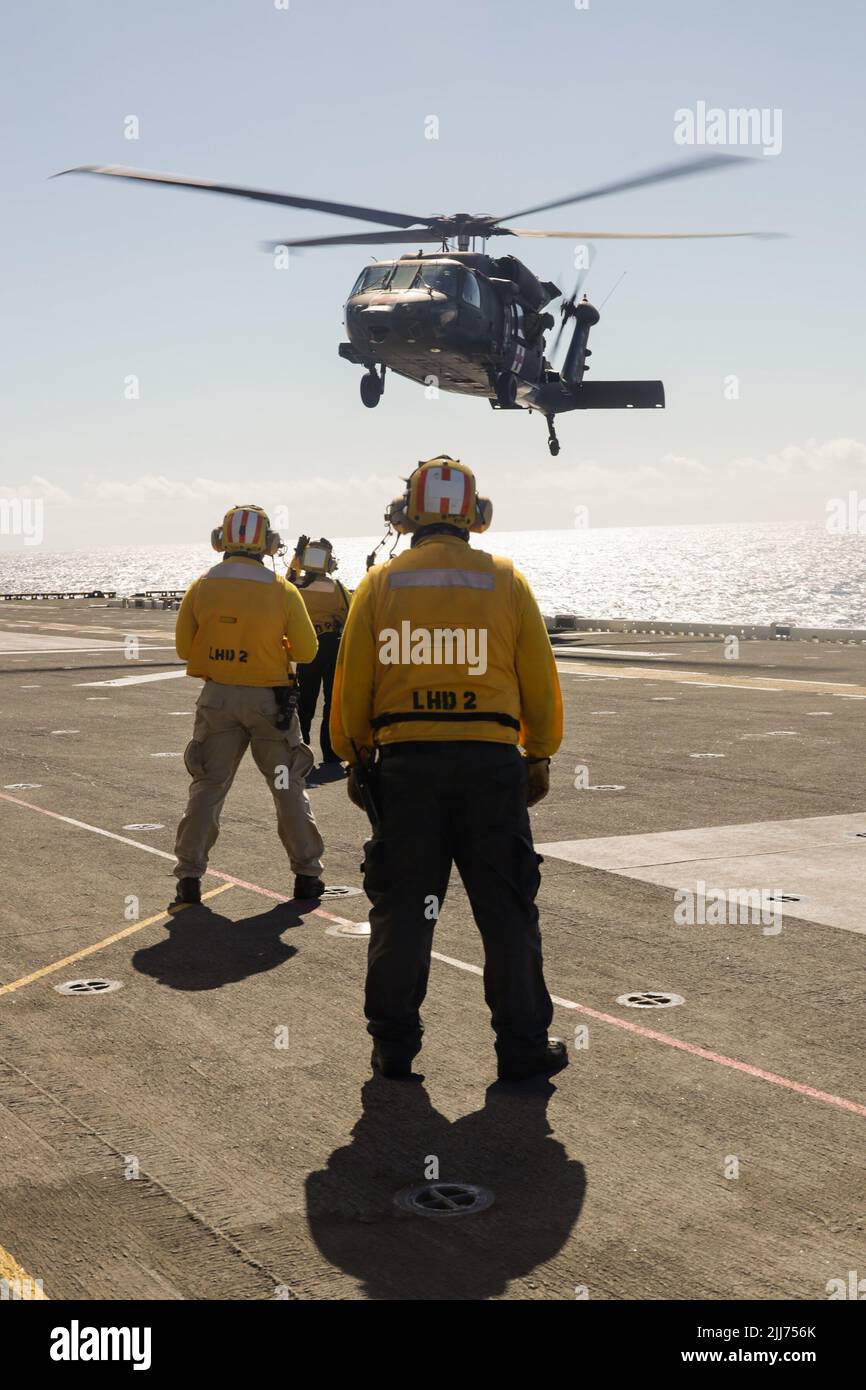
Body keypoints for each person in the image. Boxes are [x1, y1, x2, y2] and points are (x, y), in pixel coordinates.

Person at [329, 456, 565, 1084]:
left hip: (406, 769)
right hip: (490, 765)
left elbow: (352, 683)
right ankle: (521, 1050)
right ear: (474, 516)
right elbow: (539, 679)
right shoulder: (506, 581)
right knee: (508, 911)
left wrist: (354, 756)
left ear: (407, 515)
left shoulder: (381, 585)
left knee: (403, 911)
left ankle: (395, 1047)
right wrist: (539, 752)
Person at [171, 504, 326, 908]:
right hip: (269, 703)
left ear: (221, 541)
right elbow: (307, 651)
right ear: (269, 544)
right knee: (286, 786)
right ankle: (307, 875)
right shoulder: (281, 589)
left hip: (218, 698)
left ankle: (189, 877)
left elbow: (185, 648)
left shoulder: (201, 586)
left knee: (208, 786)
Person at [287, 536, 351, 764]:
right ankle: (331, 751)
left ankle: (300, 747)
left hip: (307, 646)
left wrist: (296, 554)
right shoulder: (336, 587)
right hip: (331, 644)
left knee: (305, 701)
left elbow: (286, 587)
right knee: (331, 701)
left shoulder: (296, 586)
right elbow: (350, 615)